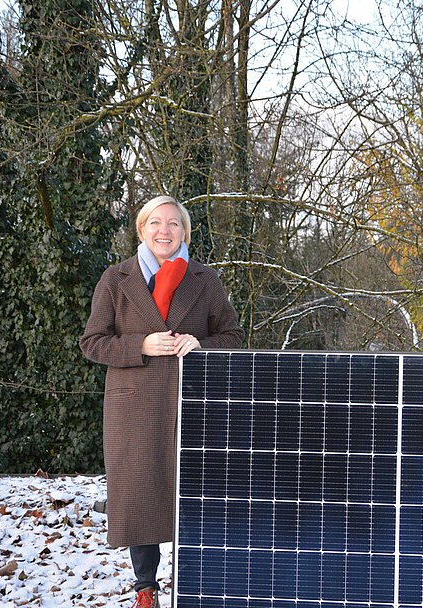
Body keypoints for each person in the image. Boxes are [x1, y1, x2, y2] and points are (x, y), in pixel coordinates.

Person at [80, 195, 244, 608]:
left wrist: (201, 345)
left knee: (194, 495)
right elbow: (92, 343)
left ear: (185, 232)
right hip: (133, 407)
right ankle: (145, 589)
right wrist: (142, 345)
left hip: (194, 406)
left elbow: (233, 338)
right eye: (155, 222)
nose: (164, 231)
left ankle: (195, 585)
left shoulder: (205, 280)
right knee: (142, 496)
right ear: (141, 229)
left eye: (173, 223)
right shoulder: (116, 279)